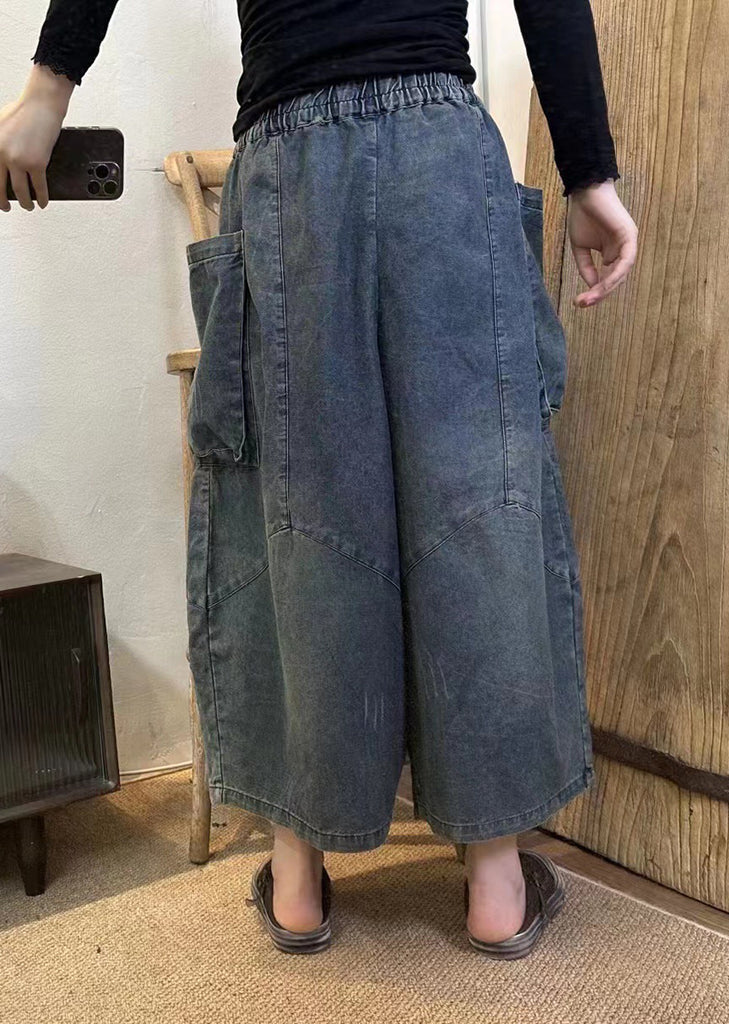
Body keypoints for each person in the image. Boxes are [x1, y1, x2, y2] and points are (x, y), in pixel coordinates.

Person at [1, 1, 637, 959]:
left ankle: (297, 880)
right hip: (441, 152)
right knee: (480, 503)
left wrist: (49, 88)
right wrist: (589, 173)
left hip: (289, 159)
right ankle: (496, 884)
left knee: (291, 510)